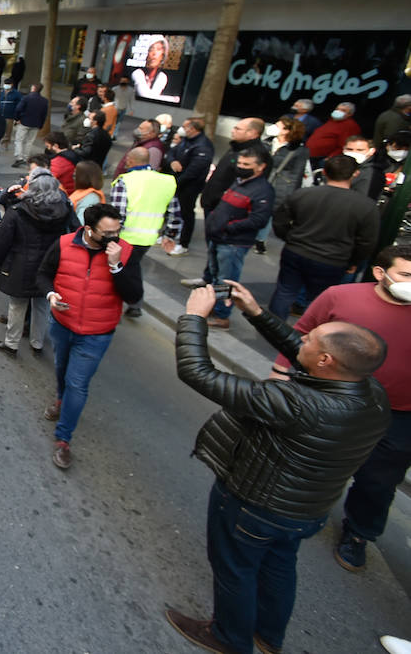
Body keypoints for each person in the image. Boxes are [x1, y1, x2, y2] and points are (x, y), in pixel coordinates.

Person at [165, 281, 389, 654]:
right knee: (279, 567)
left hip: (255, 504)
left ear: (326, 362)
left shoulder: (294, 401)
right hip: (306, 510)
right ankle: (268, 635)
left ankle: (229, 638)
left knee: (235, 569)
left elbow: (197, 373)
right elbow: (305, 352)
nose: (302, 339)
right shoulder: (371, 392)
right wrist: (255, 312)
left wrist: (193, 318)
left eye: (311, 338)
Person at [270, 244, 411, 574]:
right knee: (310, 458)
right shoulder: (340, 296)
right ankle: (295, 508)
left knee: (378, 480)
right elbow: (302, 332)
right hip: (329, 400)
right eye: (406, 274)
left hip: (399, 415)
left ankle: (359, 534)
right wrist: (280, 372)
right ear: (380, 273)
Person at [37, 204, 142, 469]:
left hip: (97, 333)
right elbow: (43, 274)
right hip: (62, 325)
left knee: (77, 383)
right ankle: (60, 399)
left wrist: (116, 266)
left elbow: (134, 296)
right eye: (107, 233)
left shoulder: (125, 252)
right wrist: (51, 295)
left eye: (117, 231)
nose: (114, 238)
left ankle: (63, 439)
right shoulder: (63, 244)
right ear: (88, 229)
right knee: (61, 369)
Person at [267, 154, 379, 320]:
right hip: (333, 260)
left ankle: (273, 327)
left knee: (285, 291)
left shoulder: (303, 194)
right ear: (355, 173)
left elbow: (280, 221)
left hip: (296, 251)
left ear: (325, 172)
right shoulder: (366, 206)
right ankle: (308, 333)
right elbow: (367, 241)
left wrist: (290, 239)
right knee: (319, 299)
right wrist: (354, 261)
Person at [0, 171, 77, 357]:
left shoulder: (18, 211)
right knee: (42, 305)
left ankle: (11, 344)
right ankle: (37, 343)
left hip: (19, 265)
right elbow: (75, 232)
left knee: (17, 305)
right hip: (49, 265)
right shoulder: (65, 209)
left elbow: (2, 242)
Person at [187, 147, 273, 330]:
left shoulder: (262, 190)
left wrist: (229, 228)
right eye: (240, 163)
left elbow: (259, 219)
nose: (241, 167)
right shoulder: (239, 182)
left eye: (246, 164)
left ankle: (221, 316)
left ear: (261, 167)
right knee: (216, 275)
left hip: (233, 242)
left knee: (226, 280)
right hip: (219, 238)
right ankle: (211, 308)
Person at [110, 146, 182, 317]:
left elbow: (116, 213)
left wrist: (109, 235)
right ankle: (133, 302)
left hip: (126, 236)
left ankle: (132, 301)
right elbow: (175, 212)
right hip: (148, 237)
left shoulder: (125, 181)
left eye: (127, 160)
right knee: (131, 268)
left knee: (124, 270)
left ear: (131, 161)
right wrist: (170, 235)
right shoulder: (166, 181)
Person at [199, 117, 267, 225]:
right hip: (214, 203)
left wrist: (224, 199)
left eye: (238, 129)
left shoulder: (256, 154)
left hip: (227, 210)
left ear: (252, 133)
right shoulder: (236, 147)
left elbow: (250, 186)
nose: (232, 131)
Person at [13, 83, 49, 166]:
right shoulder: (44, 101)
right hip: (36, 123)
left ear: (33, 88)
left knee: (19, 140)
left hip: (24, 122)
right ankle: (25, 158)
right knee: (29, 141)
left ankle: (19, 157)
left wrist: (17, 119)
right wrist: (41, 125)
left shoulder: (26, 98)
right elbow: (44, 114)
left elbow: (18, 109)